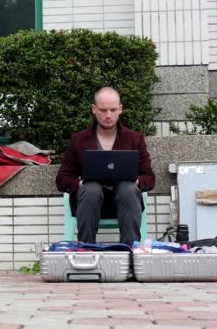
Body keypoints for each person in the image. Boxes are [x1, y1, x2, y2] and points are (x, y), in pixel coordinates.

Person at [55, 86, 155, 246]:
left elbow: (149, 178)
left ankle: (129, 253)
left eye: (113, 109)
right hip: (89, 203)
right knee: (91, 188)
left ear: (120, 109)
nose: (108, 115)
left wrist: (136, 182)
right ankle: (86, 251)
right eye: (103, 110)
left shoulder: (134, 139)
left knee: (128, 188)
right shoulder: (79, 140)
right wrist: (79, 184)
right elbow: (62, 179)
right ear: (94, 109)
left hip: (125, 203)